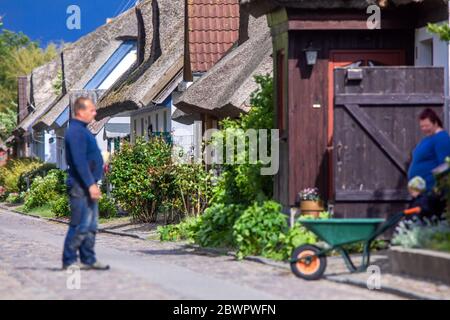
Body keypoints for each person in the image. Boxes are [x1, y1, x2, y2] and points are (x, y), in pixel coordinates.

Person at [62, 97, 109, 270]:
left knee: (91, 225)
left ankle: (88, 258)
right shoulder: (75, 132)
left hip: (88, 184)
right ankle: (69, 260)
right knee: (80, 224)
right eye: (92, 110)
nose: (95, 113)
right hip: (80, 186)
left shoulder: (83, 130)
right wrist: (90, 184)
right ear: (80, 111)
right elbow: (79, 160)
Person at [408, 108, 450, 192]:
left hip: (430, 191)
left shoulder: (442, 138)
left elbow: (445, 165)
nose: (424, 129)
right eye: (422, 126)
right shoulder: (429, 138)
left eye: (427, 126)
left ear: (435, 123)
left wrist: (428, 179)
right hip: (420, 191)